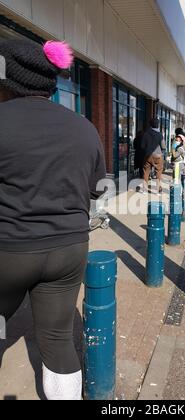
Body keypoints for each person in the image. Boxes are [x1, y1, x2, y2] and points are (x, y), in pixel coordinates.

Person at [0, 39, 106, 400]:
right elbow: (98, 189)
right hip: (68, 250)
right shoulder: (85, 129)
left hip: (9, 251)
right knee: (59, 341)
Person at [141, 118, 166, 195]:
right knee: (158, 173)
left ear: (150, 125)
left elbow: (142, 146)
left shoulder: (146, 133)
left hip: (148, 156)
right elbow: (163, 146)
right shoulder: (159, 134)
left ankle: (144, 190)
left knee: (146, 172)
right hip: (158, 156)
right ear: (158, 125)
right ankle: (158, 191)